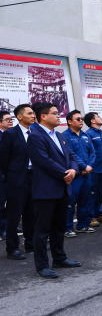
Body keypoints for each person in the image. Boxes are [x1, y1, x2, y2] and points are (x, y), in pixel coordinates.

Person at [27, 102, 81, 279]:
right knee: (42, 230)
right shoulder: (35, 136)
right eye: (55, 113)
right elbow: (43, 161)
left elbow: (71, 157)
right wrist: (64, 173)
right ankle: (42, 265)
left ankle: (59, 258)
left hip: (63, 187)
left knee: (58, 227)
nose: (59, 116)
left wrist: (73, 170)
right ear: (43, 116)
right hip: (46, 190)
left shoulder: (60, 136)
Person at [0, 104, 35, 260]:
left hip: (33, 177)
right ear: (20, 116)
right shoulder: (11, 134)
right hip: (16, 179)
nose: (33, 115)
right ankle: (12, 248)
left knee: (31, 212)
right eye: (29, 113)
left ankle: (30, 243)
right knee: (14, 215)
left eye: (33, 113)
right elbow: (3, 158)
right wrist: (10, 176)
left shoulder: (35, 132)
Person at [63, 110, 96, 237]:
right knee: (70, 202)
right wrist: (83, 166)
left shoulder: (85, 135)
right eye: (78, 119)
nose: (81, 121)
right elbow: (71, 154)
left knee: (85, 200)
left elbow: (92, 153)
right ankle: (67, 228)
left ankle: (83, 225)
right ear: (69, 122)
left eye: (81, 119)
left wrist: (89, 166)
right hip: (75, 175)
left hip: (87, 174)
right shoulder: (65, 136)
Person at [84, 112, 102, 226]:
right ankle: (90, 218)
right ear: (92, 121)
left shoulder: (100, 132)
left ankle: (98, 214)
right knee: (92, 193)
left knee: (100, 192)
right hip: (93, 169)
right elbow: (88, 151)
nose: (101, 118)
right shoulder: (88, 134)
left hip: (101, 167)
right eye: (98, 117)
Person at [0, 110, 13, 241]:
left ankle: (9, 225)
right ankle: (2, 229)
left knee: (12, 202)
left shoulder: (11, 135)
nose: (10, 121)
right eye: (7, 119)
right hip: (1, 176)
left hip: (12, 175)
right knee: (1, 203)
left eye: (11, 119)